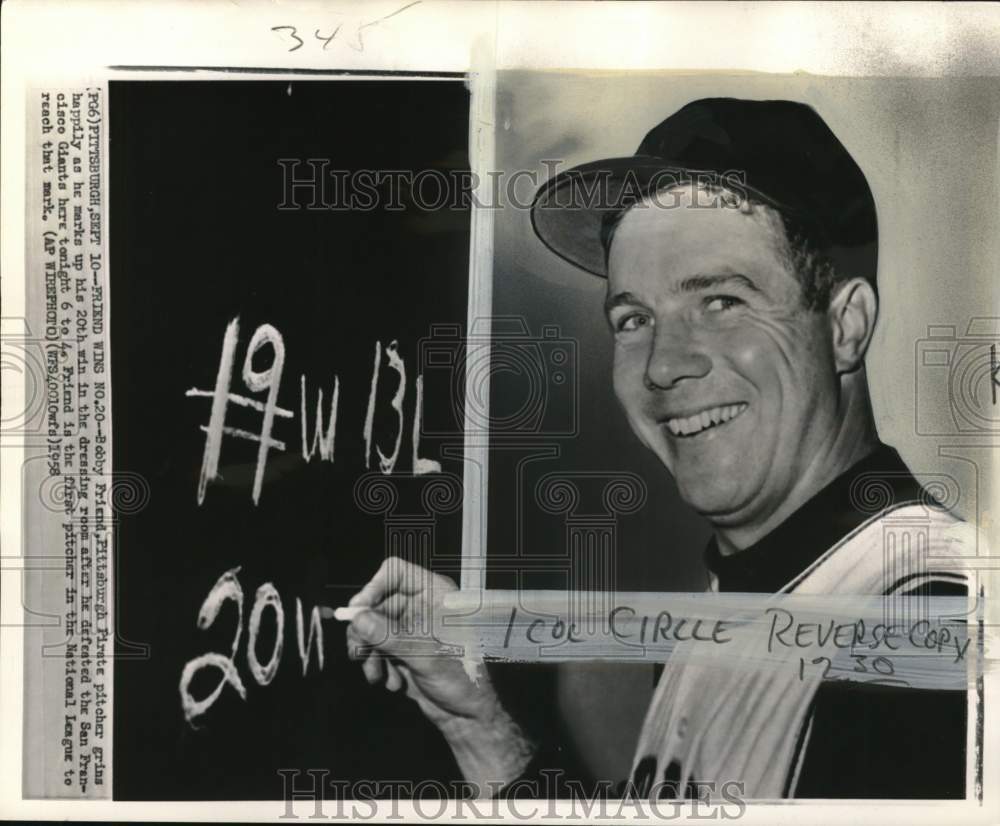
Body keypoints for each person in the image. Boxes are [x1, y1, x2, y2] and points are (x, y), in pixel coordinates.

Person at [344, 98, 973, 800]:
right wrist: (480, 727)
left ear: (845, 326)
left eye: (721, 302)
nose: (661, 365)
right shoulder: (740, 601)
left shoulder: (926, 630)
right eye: (634, 318)